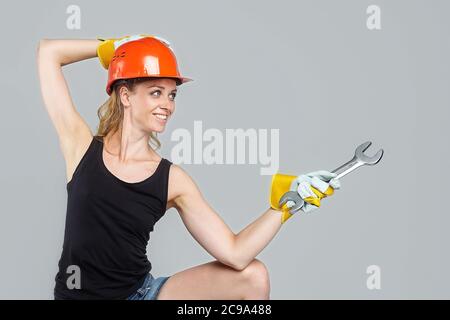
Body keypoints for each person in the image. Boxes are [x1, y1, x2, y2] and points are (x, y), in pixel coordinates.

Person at [36, 34, 341, 300]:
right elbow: (49, 53)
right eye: (156, 92)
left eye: (172, 94)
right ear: (125, 95)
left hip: (140, 295)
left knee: (253, 276)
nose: (167, 104)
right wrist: (114, 46)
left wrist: (283, 206)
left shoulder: (172, 179)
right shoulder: (81, 147)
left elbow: (235, 254)